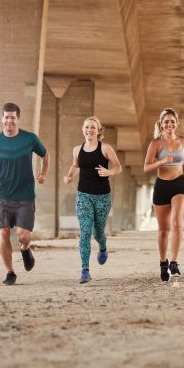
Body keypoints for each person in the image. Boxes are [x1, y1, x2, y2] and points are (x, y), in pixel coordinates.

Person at [0, 102, 49, 285]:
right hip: (3, 195)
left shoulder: (30, 138)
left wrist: (43, 173)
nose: (9, 120)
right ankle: (10, 272)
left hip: (25, 195)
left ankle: (26, 248)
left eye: (13, 117)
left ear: (18, 119)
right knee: (3, 232)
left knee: (22, 235)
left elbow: (44, 154)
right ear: (2, 118)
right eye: (6, 117)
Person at [64, 116, 122, 284]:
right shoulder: (77, 149)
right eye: (87, 127)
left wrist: (109, 172)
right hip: (83, 195)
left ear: (98, 131)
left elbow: (117, 167)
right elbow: (76, 165)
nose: (89, 130)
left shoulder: (106, 148)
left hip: (103, 197)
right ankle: (85, 270)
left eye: (93, 128)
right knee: (85, 232)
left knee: (98, 232)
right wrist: (69, 176)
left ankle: (103, 246)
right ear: (83, 129)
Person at [144, 108, 184, 282]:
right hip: (161, 187)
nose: (170, 124)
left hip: (179, 184)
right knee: (163, 231)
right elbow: (146, 167)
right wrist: (162, 161)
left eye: (172, 121)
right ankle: (163, 262)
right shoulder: (155, 144)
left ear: (176, 123)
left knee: (177, 223)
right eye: (166, 121)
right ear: (161, 124)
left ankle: (174, 262)